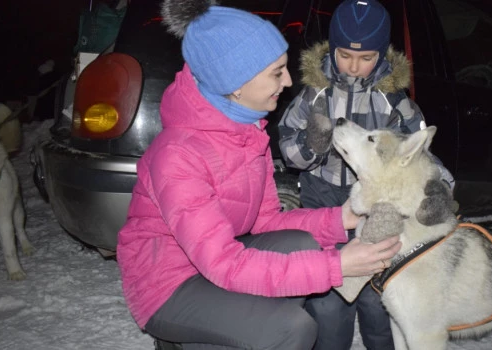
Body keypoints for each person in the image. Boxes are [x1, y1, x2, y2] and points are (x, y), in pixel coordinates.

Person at [116, 0, 402, 349]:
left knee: (304, 244)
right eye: (276, 71)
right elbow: (223, 263)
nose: (288, 80)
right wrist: (337, 265)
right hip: (168, 285)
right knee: (291, 328)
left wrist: (343, 218)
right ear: (236, 83)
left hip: (214, 261)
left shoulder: (247, 131)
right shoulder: (178, 155)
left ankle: (226, 332)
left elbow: (266, 222)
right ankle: (193, 337)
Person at [278, 0, 455, 349]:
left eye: (366, 58)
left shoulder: (394, 101)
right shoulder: (315, 94)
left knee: (379, 300)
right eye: (345, 55)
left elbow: (420, 154)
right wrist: (312, 146)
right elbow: (289, 151)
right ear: (332, 48)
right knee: (328, 303)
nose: (355, 66)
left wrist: (440, 188)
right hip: (322, 201)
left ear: (382, 54)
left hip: (378, 210)